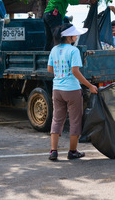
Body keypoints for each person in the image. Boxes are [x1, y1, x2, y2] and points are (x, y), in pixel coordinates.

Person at [47, 23, 98, 161]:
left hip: (57, 89)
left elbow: (50, 69)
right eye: (75, 34)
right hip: (72, 89)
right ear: (69, 36)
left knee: (57, 120)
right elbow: (75, 71)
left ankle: (53, 151)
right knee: (75, 121)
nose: (76, 36)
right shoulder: (74, 51)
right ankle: (72, 151)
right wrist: (89, 86)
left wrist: (60, 72)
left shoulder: (54, 49)